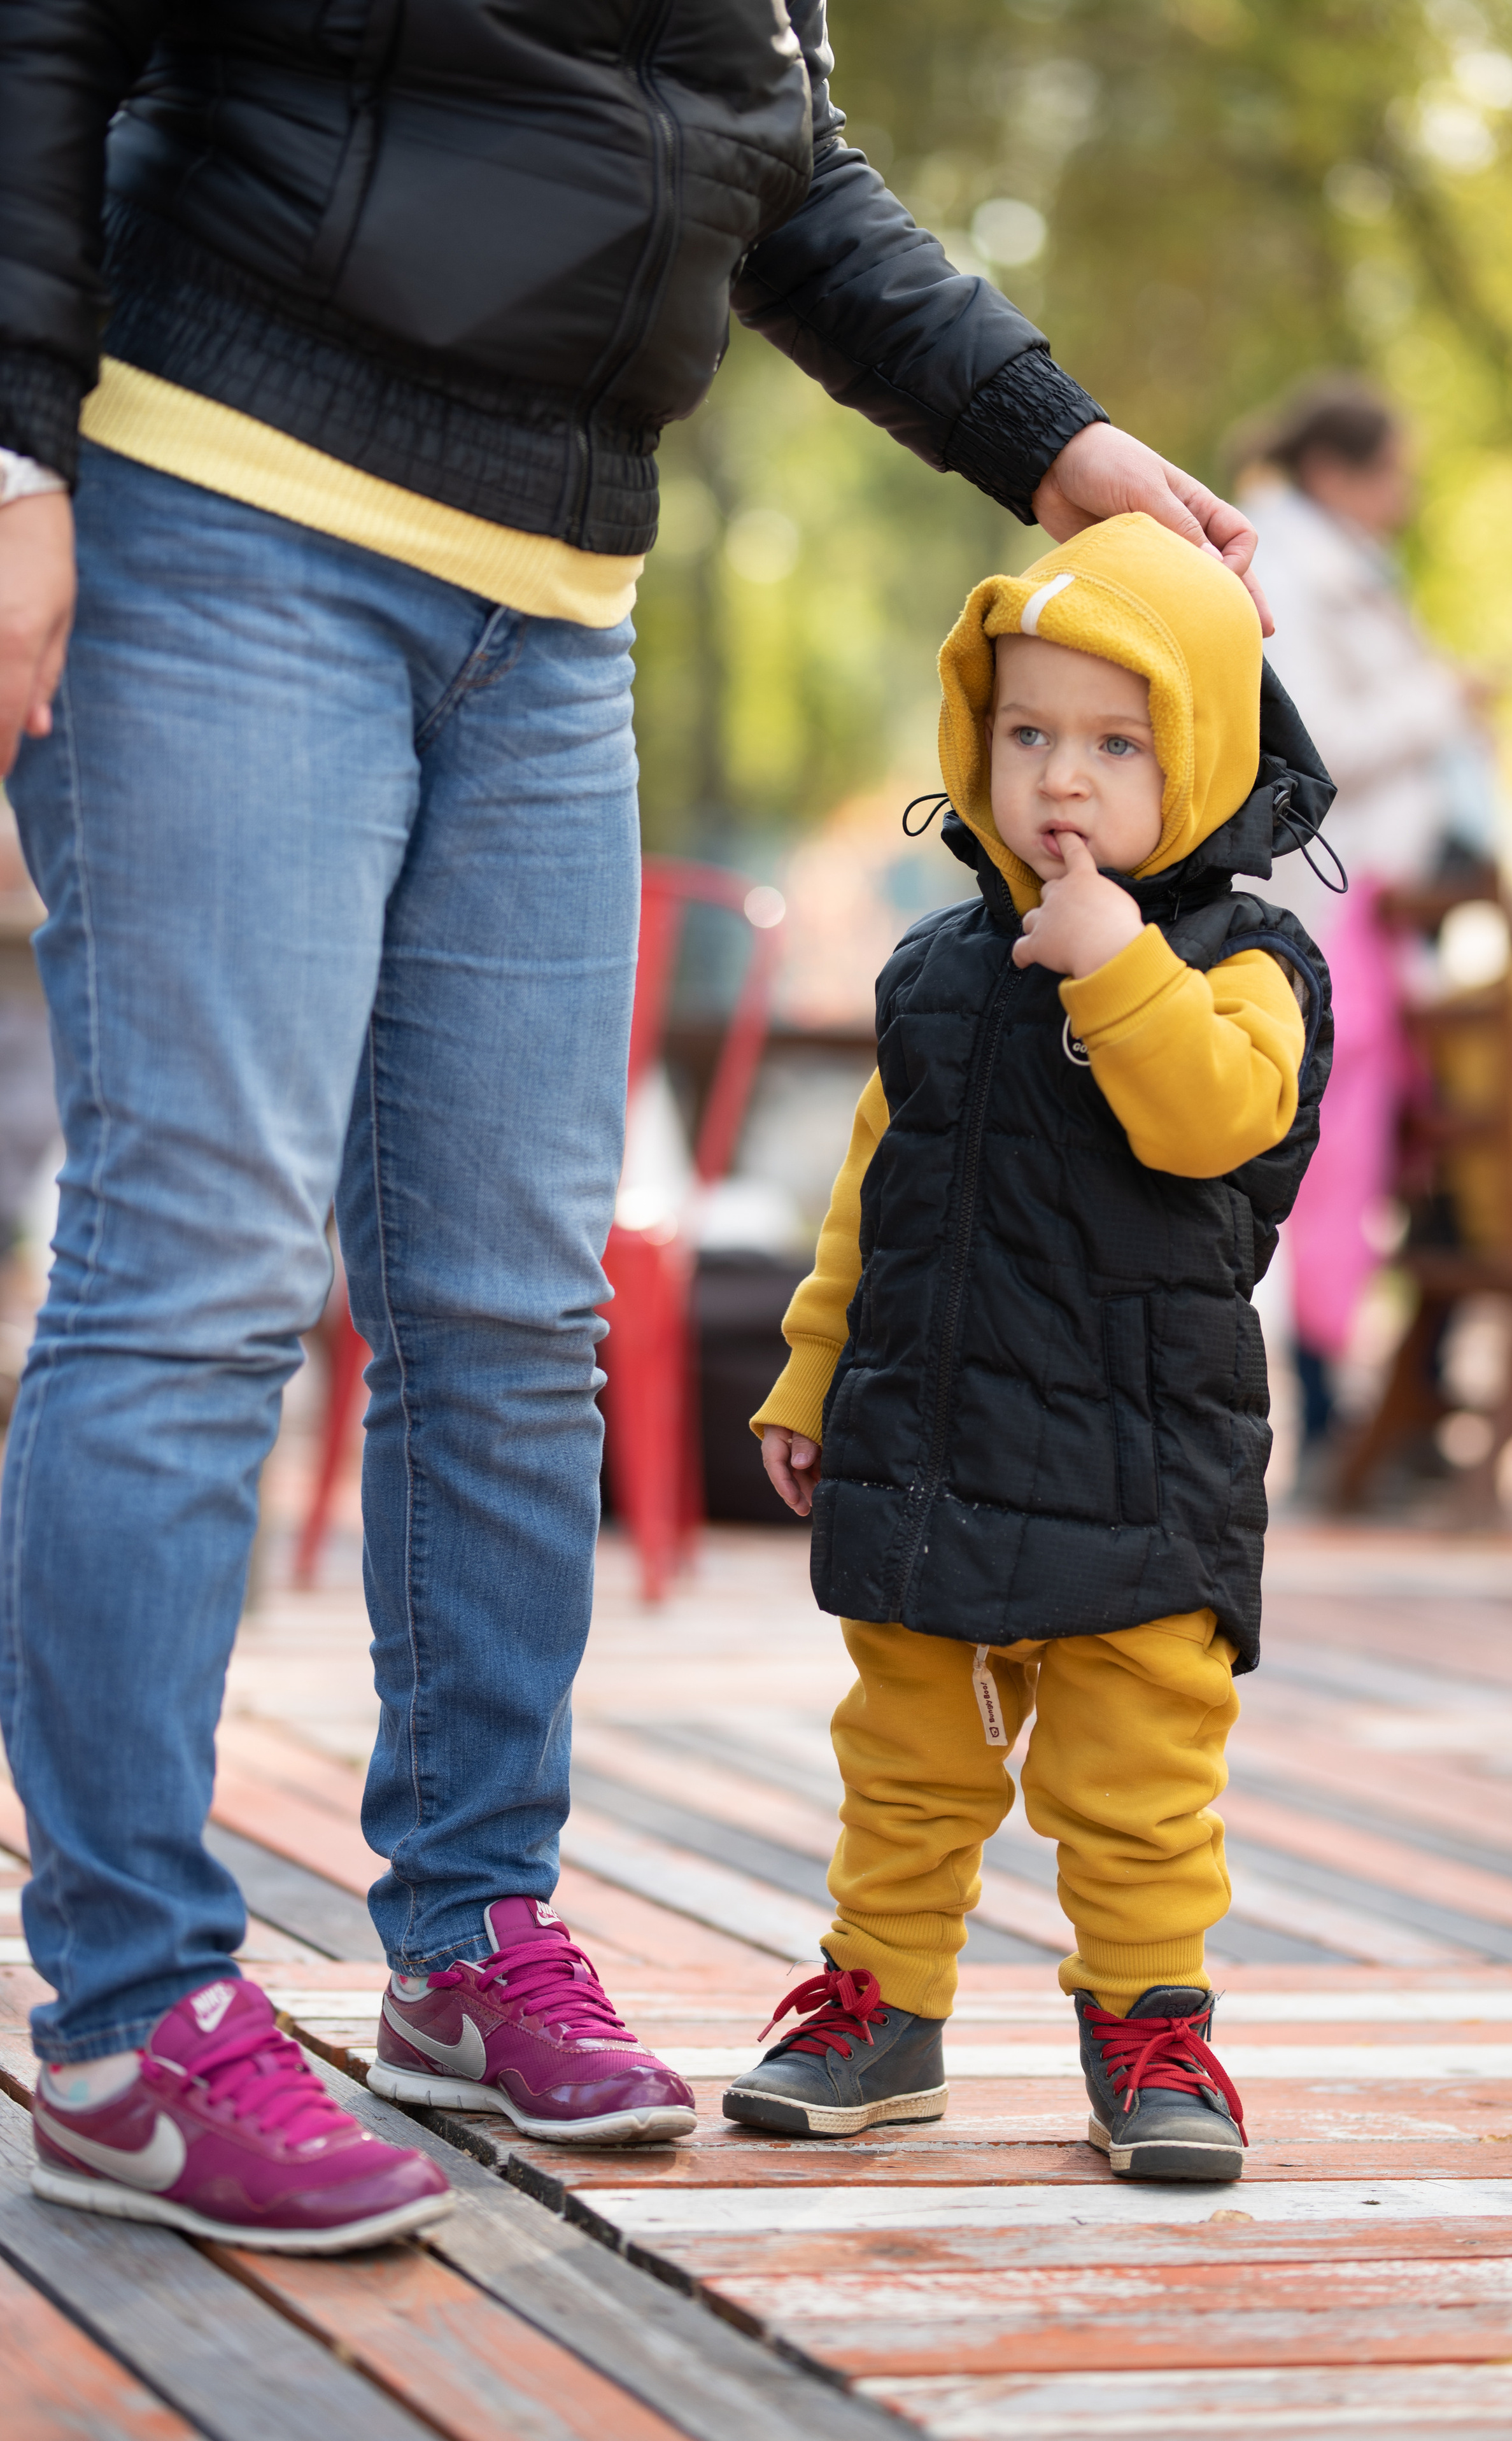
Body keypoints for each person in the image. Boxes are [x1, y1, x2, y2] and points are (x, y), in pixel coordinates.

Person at [0, 5, 1269, 2251]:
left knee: (510, 1307)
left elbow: (763, 160)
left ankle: (473, 1934)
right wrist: (5, 453)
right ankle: (125, 2013)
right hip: (233, 506)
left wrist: (1048, 432)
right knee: (197, 1273)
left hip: (556, 595)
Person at [736, 514, 1333, 2181]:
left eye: (1119, 744)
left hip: (1142, 1462)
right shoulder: (935, 971)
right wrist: (810, 1375)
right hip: (931, 1441)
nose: (1063, 778)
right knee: (907, 1759)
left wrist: (1121, 971)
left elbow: (1218, 1124)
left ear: (1203, 756)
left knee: (1136, 1777)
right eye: (1029, 735)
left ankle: (1149, 2031)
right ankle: (878, 2014)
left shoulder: (1244, 963)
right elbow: (878, 1187)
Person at [1231, 375, 1495, 1454]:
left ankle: (1396, 1407)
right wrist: (1444, 703)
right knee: (1324, 1147)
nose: (1407, 498)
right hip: (1339, 915)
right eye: (1393, 474)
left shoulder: (1353, 574)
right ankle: (1337, 1405)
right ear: (1337, 472)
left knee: (1402, 1148)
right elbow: (1317, 745)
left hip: (1395, 921)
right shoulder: (1291, 571)